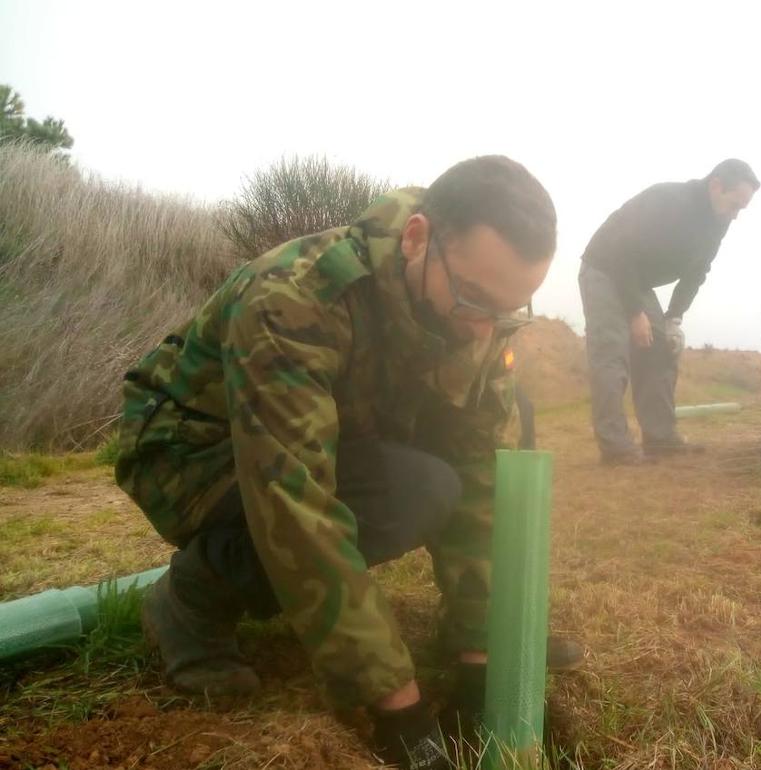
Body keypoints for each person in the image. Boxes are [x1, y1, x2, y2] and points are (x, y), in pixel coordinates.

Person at [115, 156, 581, 769]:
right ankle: (193, 596)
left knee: (455, 468)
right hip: (192, 452)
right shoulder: (294, 298)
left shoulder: (475, 314)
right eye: (473, 302)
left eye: (506, 313)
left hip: (325, 438)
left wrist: (480, 651)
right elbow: (294, 497)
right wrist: (397, 706)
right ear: (417, 239)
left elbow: (478, 475)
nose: (482, 334)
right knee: (412, 492)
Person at [579, 159, 760, 465]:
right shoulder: (668, 201)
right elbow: (622, 250)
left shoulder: (719, 222)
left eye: (741, 209)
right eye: (734, 205)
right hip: (606, 268)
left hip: (639, 280)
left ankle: (660, 438)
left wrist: (674, 316)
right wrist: (636, 313)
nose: (735, 215)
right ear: (716, 185)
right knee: (612, 352)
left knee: (661, 347)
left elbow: (697, 272)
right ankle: (616, 447)